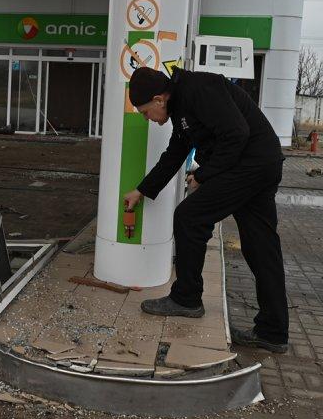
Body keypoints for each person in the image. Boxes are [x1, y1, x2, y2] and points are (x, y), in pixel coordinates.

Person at [123, 66, 288, 353]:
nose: (148, 119)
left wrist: (203, 175)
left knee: (189, 216)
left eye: (146, 112)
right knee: (261, 247)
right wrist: (142, 190)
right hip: (260, 162)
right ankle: (272, 332)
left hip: (251, 164)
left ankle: (186, 298)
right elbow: (174, 154)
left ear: (159, 99)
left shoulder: (199, 89)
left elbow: (236, 133)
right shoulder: (182, 106)